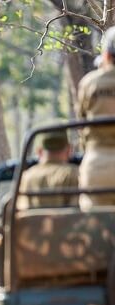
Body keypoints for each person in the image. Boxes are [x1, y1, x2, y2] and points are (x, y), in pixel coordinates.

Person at [77, 26, 115, 207]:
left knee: (95, 222)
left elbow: (81, 123)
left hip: (96, 166)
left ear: (106, 56)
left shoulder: (89, 83)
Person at [18, 128, 78, 209]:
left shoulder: (26, 177)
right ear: (69, 150)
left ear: (39, 151)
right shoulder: (75, 173)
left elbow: (21, 211)